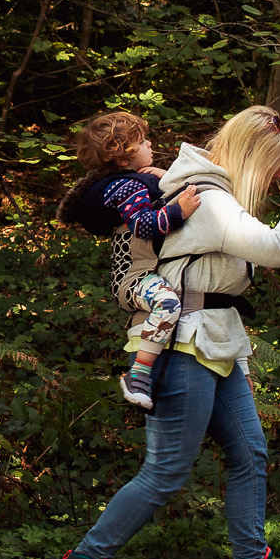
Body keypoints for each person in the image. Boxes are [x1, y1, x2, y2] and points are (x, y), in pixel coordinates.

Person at [43, 104, 280, 559]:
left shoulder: (206, 193)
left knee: (250, 455)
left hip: (217, 341)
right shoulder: (212, 202)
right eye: (276, 166)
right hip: (185, 345)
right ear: (254, 157)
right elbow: (279, 248)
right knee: (166, 472)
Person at [56, 111, 203, 409]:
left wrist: (165, 178)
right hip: (132, 277)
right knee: (169, 303)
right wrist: (180, 211)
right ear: (123, 159)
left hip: (142, 272)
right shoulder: (127, 186)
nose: (150, 144)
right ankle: (138, 375)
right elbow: (143, 225)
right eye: (142, 141)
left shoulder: (132, 182)